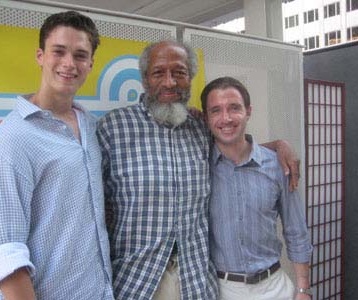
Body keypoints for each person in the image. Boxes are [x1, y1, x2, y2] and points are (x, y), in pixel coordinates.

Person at [96, 40, 300, 300]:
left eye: (179, 72)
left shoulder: (201, 127)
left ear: (190, 78)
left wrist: (279, 146)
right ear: (145, 78)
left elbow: (237, 148)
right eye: (159, 72)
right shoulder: (113, 128)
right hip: (138, 282)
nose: (170, 82)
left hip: (197, 282)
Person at [0, 11, 114, 300]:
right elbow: (5, 251)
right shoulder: (14, 139)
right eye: (59, 52)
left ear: (91, 63)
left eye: (80, 55)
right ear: (40, 56)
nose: (69, 64)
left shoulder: (90, 127)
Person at [202, 77, 313, 300]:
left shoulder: (277, 165)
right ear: (206, 118)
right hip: (221, 290)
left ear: (248, 111)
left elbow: (296, 229)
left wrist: (303, 289)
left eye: (234, 108)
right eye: (216, 110)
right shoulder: (199, 168)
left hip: (275, 288)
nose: (226, 118)